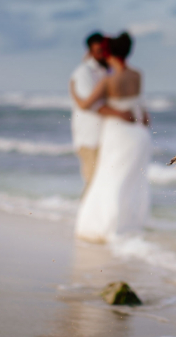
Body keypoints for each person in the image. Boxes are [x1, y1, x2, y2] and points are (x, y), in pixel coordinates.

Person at [71, 32, 153, 242]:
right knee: (131, 179)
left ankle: (107, 225)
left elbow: (86, 105)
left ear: (110, 54)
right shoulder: (137, 75)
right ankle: (129, 224)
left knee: (108, 178)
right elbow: (140, 105)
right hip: (138, 134)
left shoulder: (108, 80)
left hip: (116, 133)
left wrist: (73, 90)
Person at [70, 32, 135, 197]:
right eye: (98, 51)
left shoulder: (108, 71)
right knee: (92, 181)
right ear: (90, 51)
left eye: (104, 50)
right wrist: (120, 114)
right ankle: (84, 219)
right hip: (89, 137)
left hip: (107, 136)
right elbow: (90, 105)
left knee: (104, 182)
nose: (102, 54)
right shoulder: (84, 71)